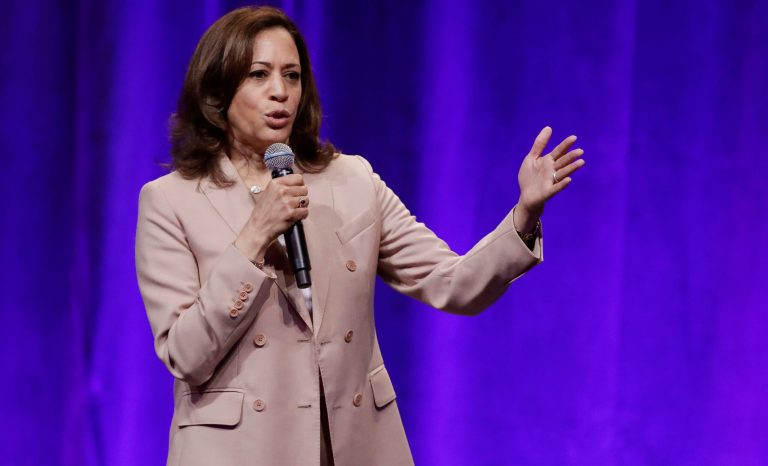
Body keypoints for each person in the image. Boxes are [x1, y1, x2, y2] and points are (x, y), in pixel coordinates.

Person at [135, 6, 585, 466]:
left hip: (355, 447)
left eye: (292, 76)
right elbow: (186, 355)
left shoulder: (351, 180)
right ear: (217, 90)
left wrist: (525, 213)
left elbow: (453, 282)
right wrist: (252, 238)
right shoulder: (171, 201)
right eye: (258, 74)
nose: (280, 92)